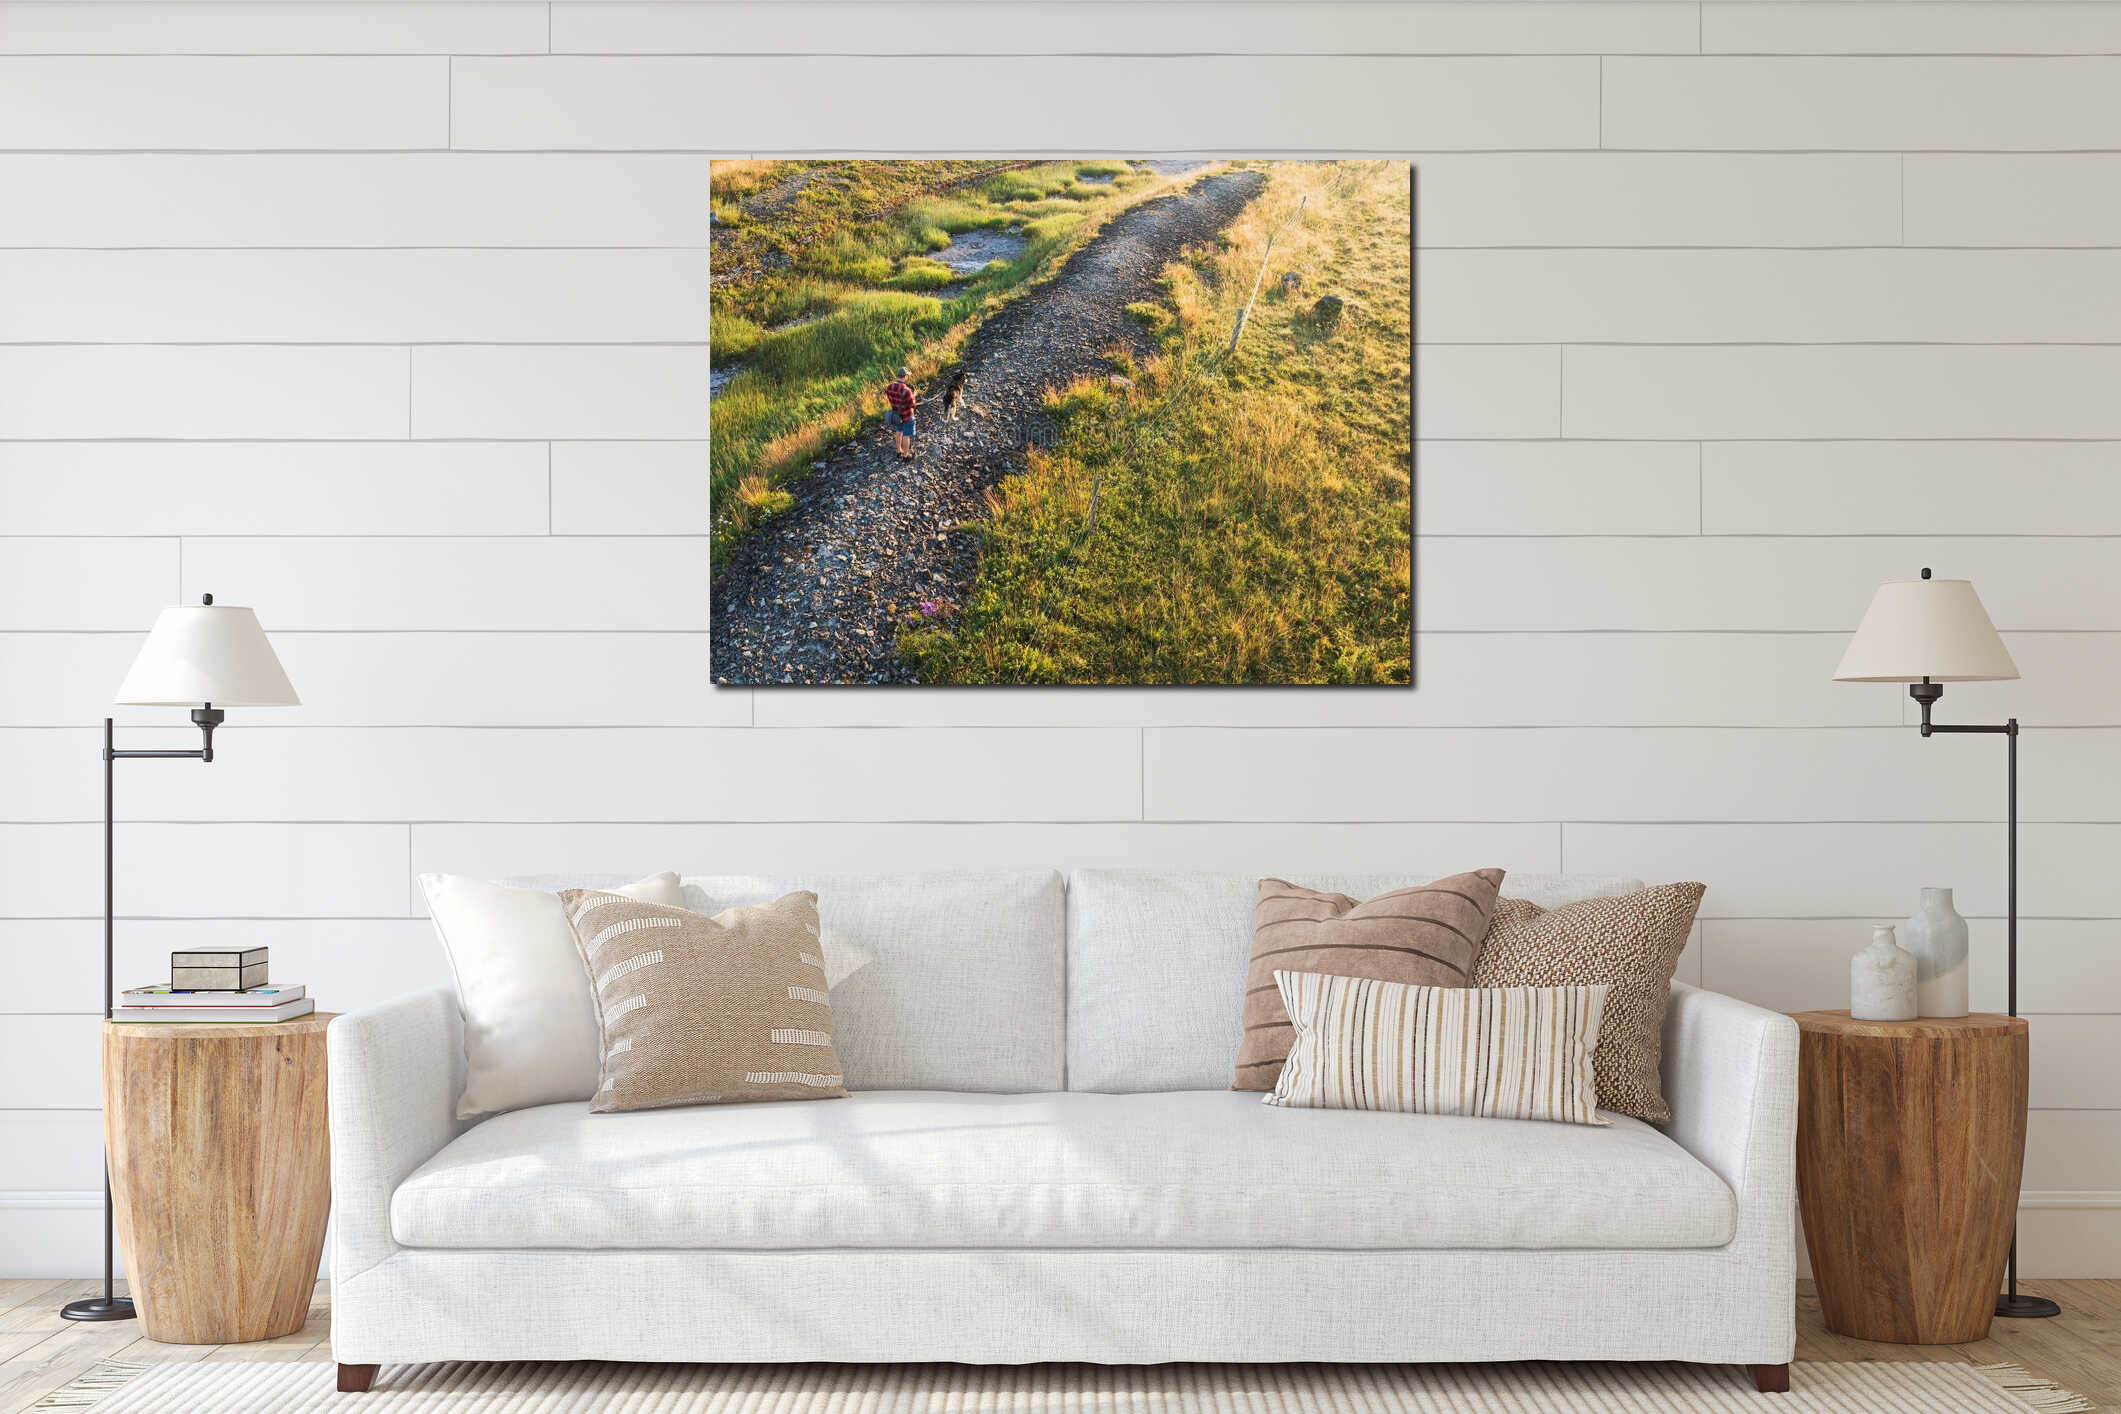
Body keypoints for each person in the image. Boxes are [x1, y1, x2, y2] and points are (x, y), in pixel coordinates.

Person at [884, 366, 918, 461]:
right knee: (906, 436)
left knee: (898, 432)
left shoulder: (889, 387)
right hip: (907, 416)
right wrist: (914, 395)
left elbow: (892, 400)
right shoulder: (907, 390)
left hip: (896, 416)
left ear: (898, 375)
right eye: (908, 376)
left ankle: (899, 451)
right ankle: (906, 456)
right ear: (905, 376)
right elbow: (913, 405)